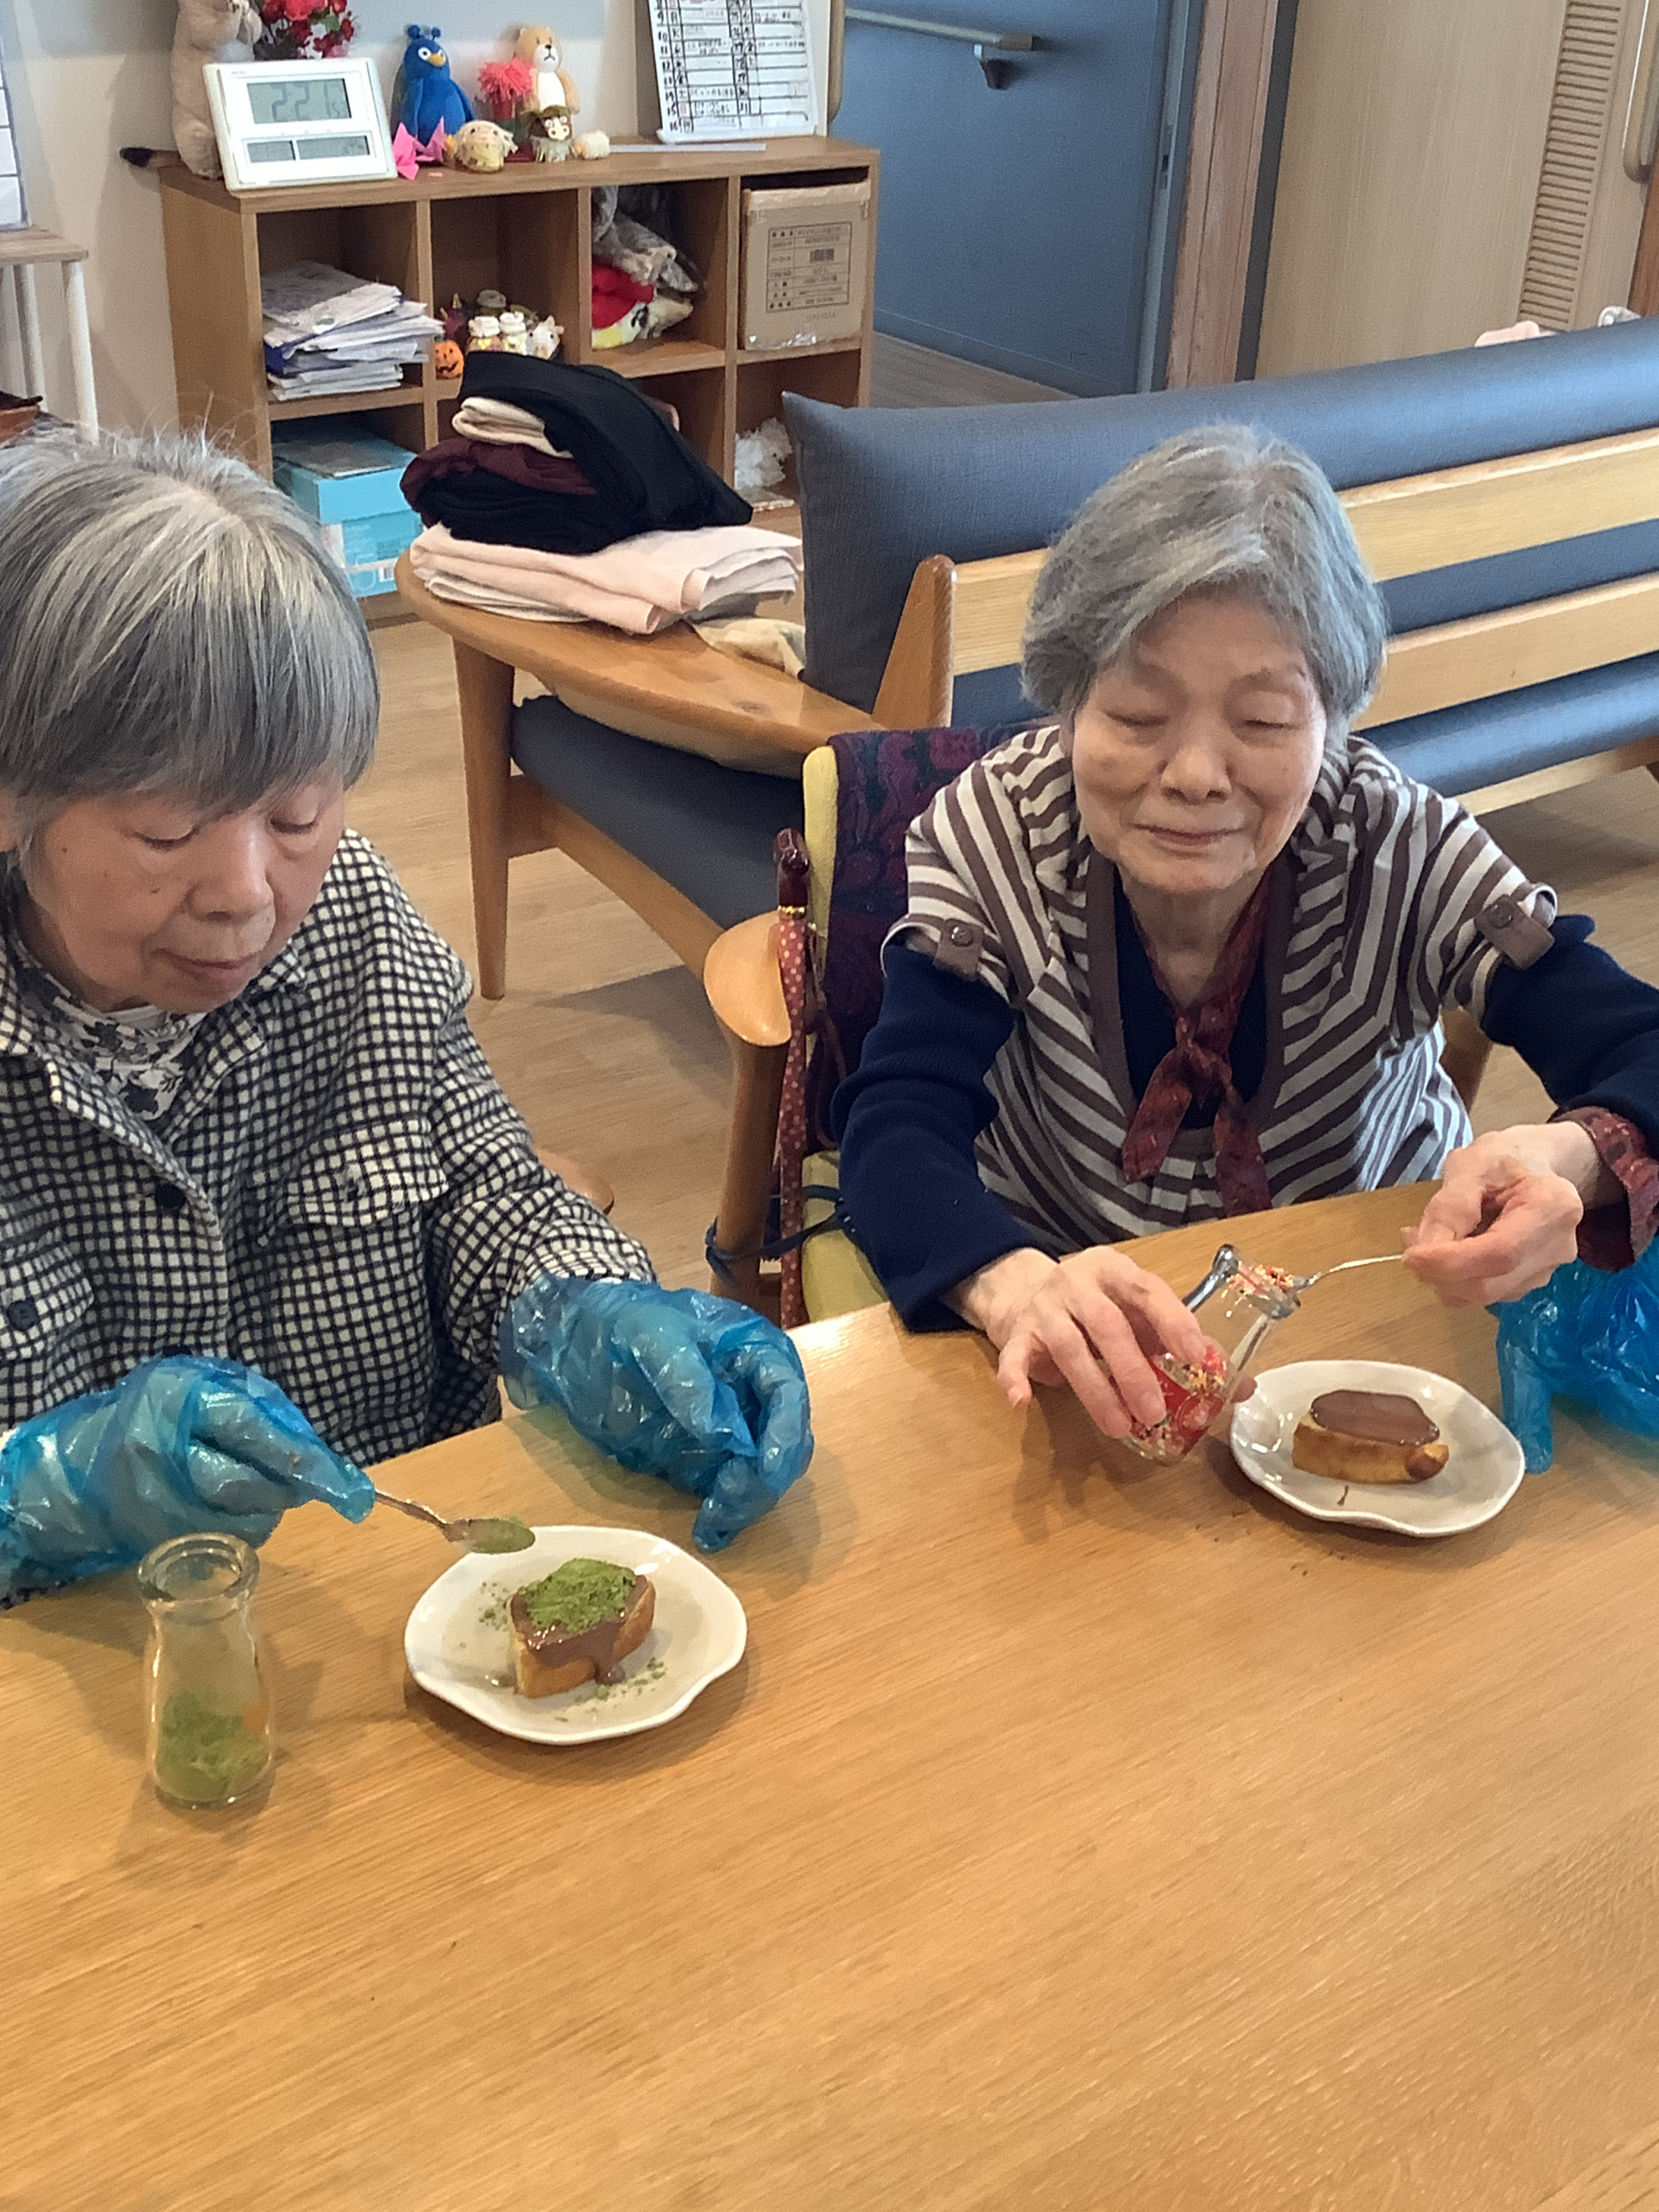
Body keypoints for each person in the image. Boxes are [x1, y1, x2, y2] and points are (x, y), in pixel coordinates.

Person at [0, 431, 810, 1601]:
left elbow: (483, 1188)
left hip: (401, 1604)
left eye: (297, 814)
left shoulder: (352, 920)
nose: (246, 895)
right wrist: (46, 1490)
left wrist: (582, 1303)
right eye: (168, 832)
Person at [834, 425, 1659, 1443]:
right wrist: (1010, 1283)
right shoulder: (997, 834)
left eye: (1264, 721)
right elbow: (898, 1119)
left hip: (1376, 1313)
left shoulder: (1395, 843)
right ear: (1066, 704)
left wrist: (1570, 1155)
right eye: (1138, 713)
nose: (1194, 775)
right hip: (1078, 1327)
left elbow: (1638, 1042)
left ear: (1333, 723)